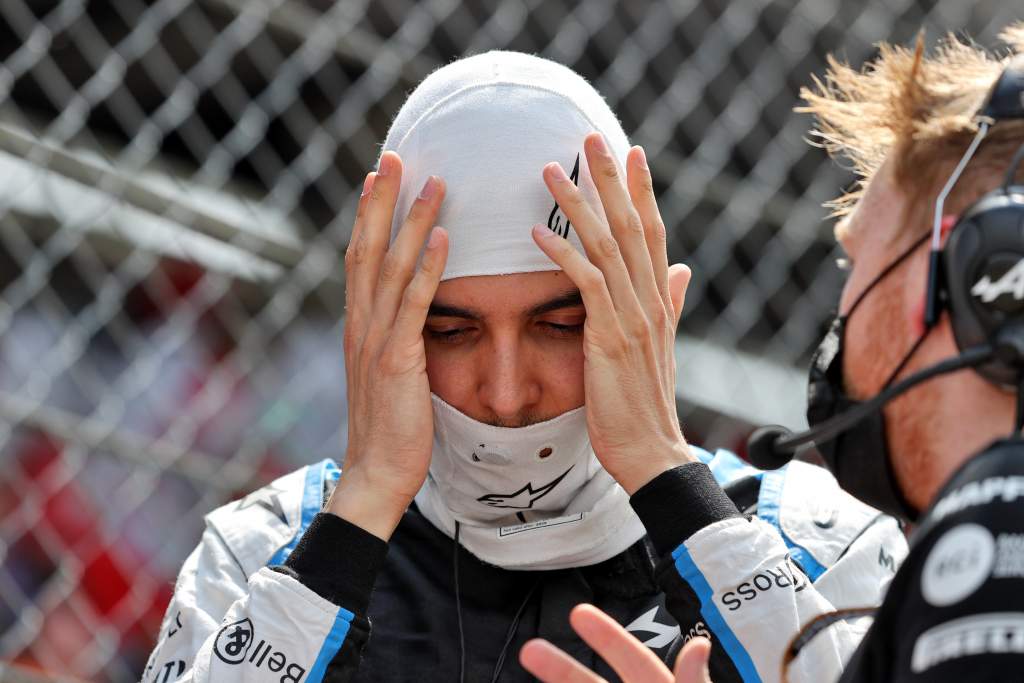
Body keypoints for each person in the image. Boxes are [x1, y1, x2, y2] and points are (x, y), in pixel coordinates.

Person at [141, 51, 906, 683]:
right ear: (378, 332)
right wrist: (362, 506)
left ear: (651, 317)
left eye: (560, 324)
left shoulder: (818, 538)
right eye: (449, 331)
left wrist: (667, 477)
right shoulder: (263, 548)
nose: (507, 394)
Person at [520, 22, 1024, 683]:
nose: (840, 314)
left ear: (984, 275)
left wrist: (661, 466)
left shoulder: (995, 528)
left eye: (858, 260)